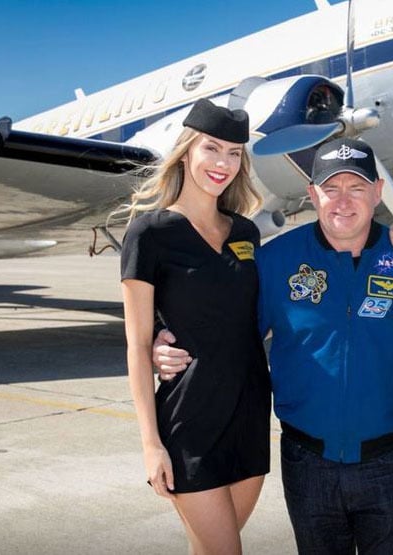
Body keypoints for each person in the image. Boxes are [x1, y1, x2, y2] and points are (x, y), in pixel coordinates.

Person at [153, 136, 393, 554]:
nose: (343, 201)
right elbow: (225, 327)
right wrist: (158, 337)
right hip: (306, 462)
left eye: (358, 188)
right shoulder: (274, 261)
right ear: (313, 194)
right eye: (331, 188)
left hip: (392, 462)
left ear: (378, 192)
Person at [118, 98, 271, 554]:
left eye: (234, 153)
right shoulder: (150, 233)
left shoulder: (247, 233)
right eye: (212, 148)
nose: (222, 163)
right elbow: (135, 344)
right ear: (186, 151)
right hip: (190, 422)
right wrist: (150, 444)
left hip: (249, 415)